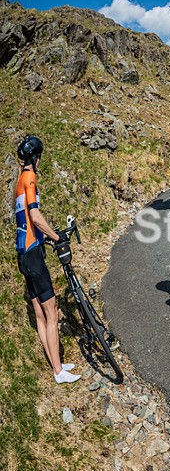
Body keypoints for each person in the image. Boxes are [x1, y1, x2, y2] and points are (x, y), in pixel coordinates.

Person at [15, 136, 81, 384]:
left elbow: (25, 221)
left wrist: (48, 237)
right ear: (36, 157)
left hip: (23, 254)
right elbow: (35, 215)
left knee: (40, 314)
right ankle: (58, 372)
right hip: (33, 253)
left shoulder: (19, 182)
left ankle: (57, 363)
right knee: (52, 312)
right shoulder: (30, 178)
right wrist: (56, 237)